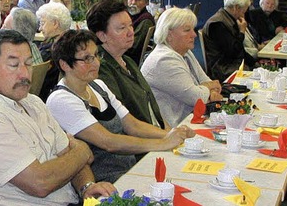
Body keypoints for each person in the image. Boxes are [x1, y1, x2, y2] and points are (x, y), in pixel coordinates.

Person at [0, 29, 116, 205]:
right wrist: (82, 150)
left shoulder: (34, 102)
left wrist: (86, 187)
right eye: (13, 65)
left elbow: (69, 157)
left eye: (28, 63)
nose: (25, 74)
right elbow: (40, 183)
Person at [46, 29, 194, 183]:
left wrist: (173, 133)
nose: (96, 63)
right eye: (86, 59)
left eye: (96, 55)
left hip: (128, 169)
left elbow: (132, 125)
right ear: (65, 65)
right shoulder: (61, 99)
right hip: (102, 181)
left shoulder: (98, 85)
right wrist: (163, 143)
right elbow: (108, 142)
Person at [87, 0, 168, 131]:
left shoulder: (128, 61)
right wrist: (166, 138)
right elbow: (125, 123)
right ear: (102, 36)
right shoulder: (100, 69)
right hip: (141, 143)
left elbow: (152, 110)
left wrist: (171, 133)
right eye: (122, 28)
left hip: (156, 134)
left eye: (130, 25)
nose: (131, 32)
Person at [141, 8, 223, 127]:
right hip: (171, 128)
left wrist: (207, 88)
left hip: (190, 118)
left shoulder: (185, 52)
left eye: (193, 29)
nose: (194, 35)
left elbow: (206, 80)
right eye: (187, 30)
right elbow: (196, 98)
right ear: (169, 34)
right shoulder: (164, 60)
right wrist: (209, 88)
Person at [203, 0, 253, 82]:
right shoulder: (218, 24)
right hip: (223, 68)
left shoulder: (227, 19)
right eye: (243, 12)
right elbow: (233, 52)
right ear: (236, 8)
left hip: (232, 63)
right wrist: (242, 32)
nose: (243, 15)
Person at [35, 2, 71, 101]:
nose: (40, 28)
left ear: (55, 23)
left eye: (42, 23)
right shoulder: (72, 44)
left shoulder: (50, 51)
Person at [125, 0, 155, 64]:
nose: (133, 3)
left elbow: (133, 47)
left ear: (146, 3)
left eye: (138, 0)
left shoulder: (146, 20)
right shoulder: (127, 15)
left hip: (129, 60)